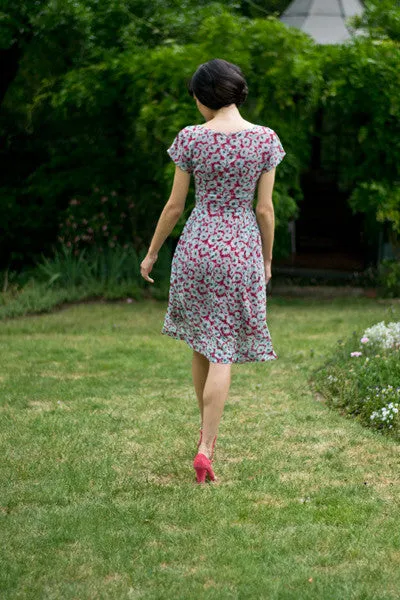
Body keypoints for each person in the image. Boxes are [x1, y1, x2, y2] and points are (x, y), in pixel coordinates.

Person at [140, 58, 286, 484]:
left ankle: (204, 434)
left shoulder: (190, 139)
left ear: (205, 96)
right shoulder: (265, 140)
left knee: (202, 342)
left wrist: (151, 254)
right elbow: (264, 209)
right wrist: (267, 259)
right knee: (223, 348)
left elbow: (174, 207)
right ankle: (207, 447)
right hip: (240, 249)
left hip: (196, 248)